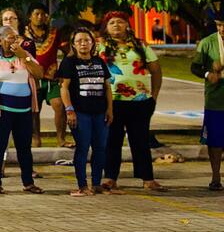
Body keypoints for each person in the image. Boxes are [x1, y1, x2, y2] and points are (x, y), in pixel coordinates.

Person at [99, 11, 165, 193]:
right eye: (112, 23)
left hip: (140, 100)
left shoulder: (140, 45)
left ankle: (147, 178)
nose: (117, 26)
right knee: (112, 139)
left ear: (127, 25)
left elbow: (156, 70)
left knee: (140, 139)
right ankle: (111, 178)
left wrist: (154, 96)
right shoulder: (100, 46)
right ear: (106, 26)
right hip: (112, 101)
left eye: (120, 22)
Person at [0, 25, 44, 194]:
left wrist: (24, 56)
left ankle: (28, 182)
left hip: (24, 111)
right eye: (10, 37)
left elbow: (39, 74)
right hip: (1, 111)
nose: (14, 41)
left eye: (16, 38)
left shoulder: (24, 56)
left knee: (24, 148)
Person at [57, 27, 113, 196]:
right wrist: (69, 110)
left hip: (100, 111)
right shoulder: (69, 63)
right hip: (80, 112)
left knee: (101, 147)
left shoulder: (99, 62)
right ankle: (82, 185)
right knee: (82, 147)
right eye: (79, 41)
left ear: (92, 43)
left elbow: (107, 87)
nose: (83, 44)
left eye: (87, 40)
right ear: (73, 45)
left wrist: (110, 109)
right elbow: (64, 88)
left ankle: (96, 183)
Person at [191, 9, 224, 191]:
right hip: (216, 98)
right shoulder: (207, 42)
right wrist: (208, 74)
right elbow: (194, 67)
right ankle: (215, 176)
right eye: (219, 25)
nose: (222, 29)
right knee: (215, 140)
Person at [23, 6, 65, 147]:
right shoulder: (22, 34)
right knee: (34, 110)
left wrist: (63, 71)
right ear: (30, 16)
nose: (40, 17)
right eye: (37, 14)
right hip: (32, 77)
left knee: (59, 105)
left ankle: (61, 138)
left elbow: (68, 52)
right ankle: (36, 139)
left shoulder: (54, 33)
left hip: (52, 78)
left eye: (43, 14)